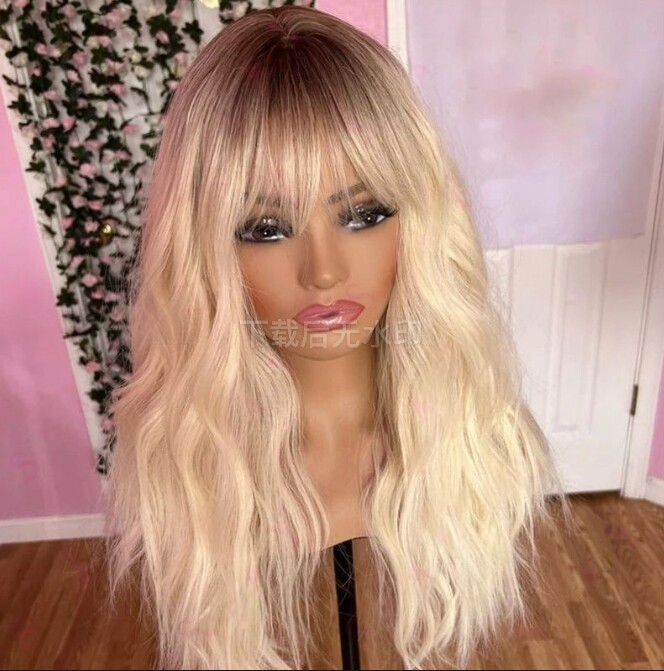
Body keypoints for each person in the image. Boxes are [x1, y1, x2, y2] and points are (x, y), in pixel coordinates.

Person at [104, 6, 560, 670]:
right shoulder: (190, 464)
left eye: (363, 214)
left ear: (420, 218)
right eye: (266, 228)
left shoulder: (471, 429)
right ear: (205, 250)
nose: (323, 271)